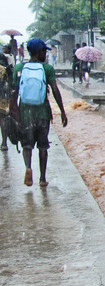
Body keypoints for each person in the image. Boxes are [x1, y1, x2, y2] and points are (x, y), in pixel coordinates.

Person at [9, 38, 68, 186]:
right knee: (43, 146)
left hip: (25, 113)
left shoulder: (19, 68)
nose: (46, 55)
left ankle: (28, 168)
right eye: (44, 51)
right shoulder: (47, 69)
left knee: (27, 145)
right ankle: (42, 178)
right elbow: (55, 90)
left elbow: (14, 93)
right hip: (42, 113)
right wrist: (62, 111)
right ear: (40, 52)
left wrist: (14, 114)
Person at [0, 45, 13, 151]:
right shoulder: (4, 68)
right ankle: (4, 143)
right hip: (3, 97)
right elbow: (11, 82)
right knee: (3, 119)